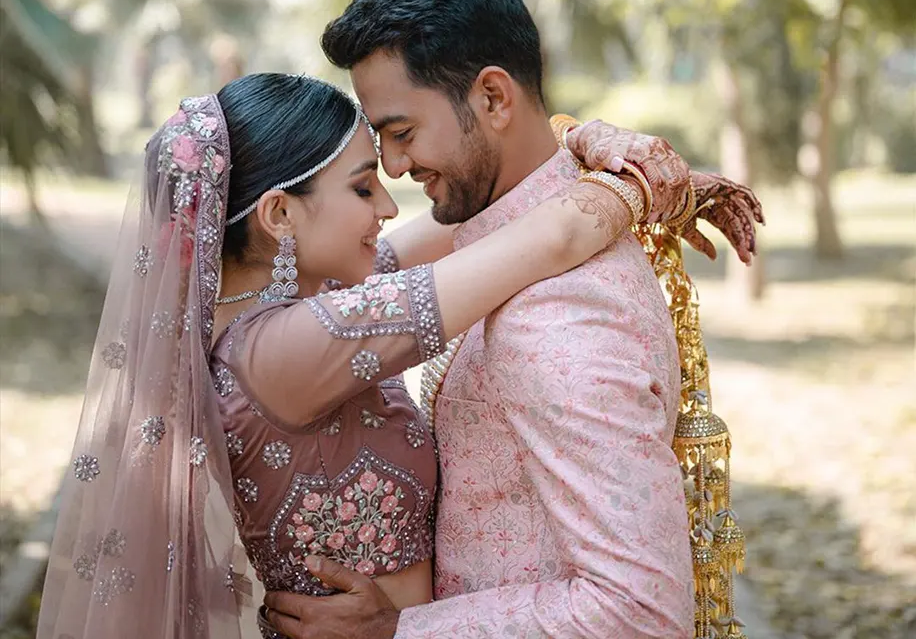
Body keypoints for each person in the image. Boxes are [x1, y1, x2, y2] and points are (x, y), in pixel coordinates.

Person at [36, 68, 748, 639]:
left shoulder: (309, 313)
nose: (387, 206)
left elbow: (493, 210)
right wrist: (649, 176)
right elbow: (554, 237)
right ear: (281, 215)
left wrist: (585, 142)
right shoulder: (286, 349)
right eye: (362, 186)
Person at [261, 0, 763, 639]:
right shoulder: (500, 239)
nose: (398, 169)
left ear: (493, 97)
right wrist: (607, 157)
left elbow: (640, 612)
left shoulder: (559, 316)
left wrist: (399, 631)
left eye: (402, 135)